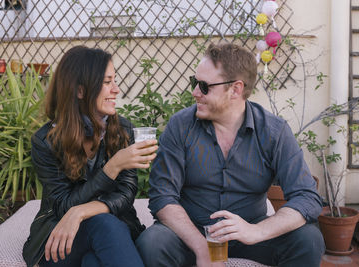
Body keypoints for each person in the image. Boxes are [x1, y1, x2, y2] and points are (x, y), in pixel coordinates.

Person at [136, 43, 325, 267]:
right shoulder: (181, 126)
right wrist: (201, 246)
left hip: (250, 233)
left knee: (309, 240)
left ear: (235, 89)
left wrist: (256, 231)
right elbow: (162, 196)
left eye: (204, 86)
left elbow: (307, 197)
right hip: (191, 233)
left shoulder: (274, 132)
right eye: (194, 83)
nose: (195, 92)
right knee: (152, 242)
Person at [22, 46, 158, 267]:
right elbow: (63, 206)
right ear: (80, 91)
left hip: (114, 228)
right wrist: (112, 167)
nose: (117, 89)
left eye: (115, 80)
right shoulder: (46, 141)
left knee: (94, 261)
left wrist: (82, 211)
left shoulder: (122, 130)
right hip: (62, 235)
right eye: (107, 82)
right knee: (104, 225)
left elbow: (126, 194)